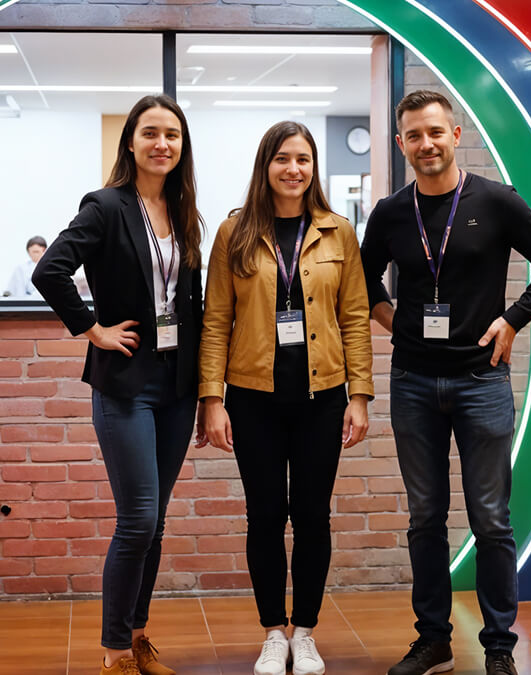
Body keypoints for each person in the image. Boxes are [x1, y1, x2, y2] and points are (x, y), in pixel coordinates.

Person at [360, 90, 531, 675]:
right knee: (425, 519)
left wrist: (512, 319)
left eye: (435, 132)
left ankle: (499, 647)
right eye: (414, 135)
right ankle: (433, 641)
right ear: (401, 144)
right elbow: (363, 275)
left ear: (454, 135)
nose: (425, 143)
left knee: (491, 520)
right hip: (412, 382)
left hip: (481, 381)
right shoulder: (391, 212)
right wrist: (390, 318)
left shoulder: (496, 200)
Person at [33, 94, 204, 675]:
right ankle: (114, 652)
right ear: (130, 141)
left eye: (172, 135)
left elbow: (188, 302)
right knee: (137, 519)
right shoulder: (105, 206)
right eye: (150, 132)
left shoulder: (183, 211)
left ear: (182, 146)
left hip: (177, 385)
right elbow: (50, 270)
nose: (162, 144)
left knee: (155, 523)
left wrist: (207, 390)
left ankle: (137, 636)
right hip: (127, 384)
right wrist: (91, 329)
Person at [196, 120, 374, 675]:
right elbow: (216, 321)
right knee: (266, 515)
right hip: (253, 398)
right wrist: (212, 398)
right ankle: (273, 631)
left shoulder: (338, 232)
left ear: (313, 167)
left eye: (303, 159)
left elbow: (355, 317)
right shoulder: (234, 232)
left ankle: (306, 632)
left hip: (323, 396)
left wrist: (360, 394)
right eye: (282, 159)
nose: (293, 169)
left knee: (313, 516)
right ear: (265, 166)